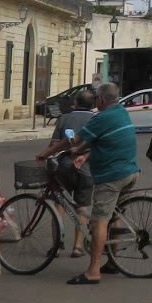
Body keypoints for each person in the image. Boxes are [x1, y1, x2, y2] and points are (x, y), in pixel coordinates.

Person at [66, 82, 138, 284]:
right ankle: (113, 262)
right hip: (129, 172)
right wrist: (82, 153)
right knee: (113, 215)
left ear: (101, 100)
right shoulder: (120, 112)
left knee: (99, 221)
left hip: (112, 177)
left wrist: (46, 153)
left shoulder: (103, 117)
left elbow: (75, 138)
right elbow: (99, 140)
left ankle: (93, 271)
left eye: (97, 97)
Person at [37, 88, 98, 258]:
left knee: (59, 204)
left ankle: (56, 244)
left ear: (76, 103)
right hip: (87, 168)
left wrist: (46, 155)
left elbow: (54, 143)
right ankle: (77, 246)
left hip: (64, 166)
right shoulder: (95, 119)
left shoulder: (65, 118)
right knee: (82, 205)